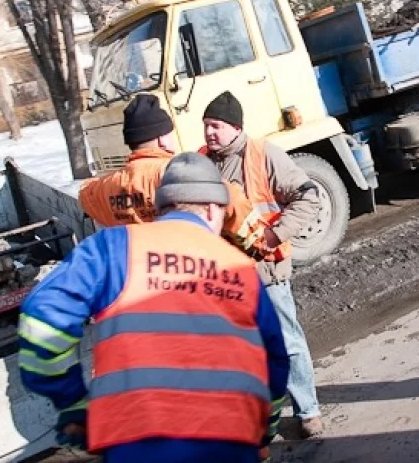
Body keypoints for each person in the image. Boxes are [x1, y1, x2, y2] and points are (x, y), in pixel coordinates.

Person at [19, 152, 290, 463]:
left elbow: (42, 320)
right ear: (215, 208)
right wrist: (264, 431)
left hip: (138, 443)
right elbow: (275, 363)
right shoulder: (242, 271)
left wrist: (72, 401)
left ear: (164, 207)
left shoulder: (113, 246)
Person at [201, 91, 324, 438]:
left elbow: (308, 196)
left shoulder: (263, 154)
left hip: (265, 273)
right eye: (206, 126)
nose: (209, 133)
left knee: (287, 343)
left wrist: (273, 236)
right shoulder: (202, 162)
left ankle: (308, 411)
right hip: (225, 280)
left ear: (235, 126)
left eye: (216, 126)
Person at [79, 93, 265, 253]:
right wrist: (266, 246)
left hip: (142, 277)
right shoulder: (182, 173)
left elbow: (85, 193)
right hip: (188, 274)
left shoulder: (105, 187)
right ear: (161, 139)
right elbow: (235, 204)